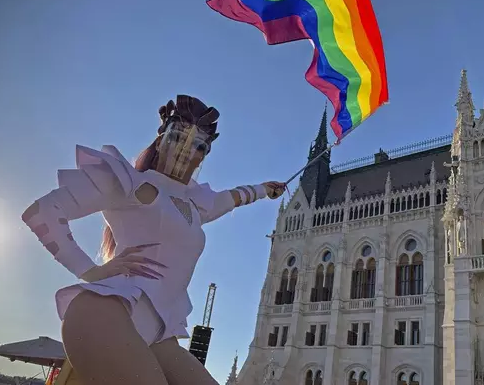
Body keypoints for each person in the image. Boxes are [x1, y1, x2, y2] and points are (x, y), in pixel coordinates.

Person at [22, 95, 286, 385]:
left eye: (199, 144)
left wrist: (266, 188)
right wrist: (90, 270)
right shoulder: (129, 182)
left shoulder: (197, 204)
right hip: (103, 316)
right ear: (160, 141)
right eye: (178, 137)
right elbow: (43, 212)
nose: (187, 150)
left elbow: (234, 197)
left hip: (159, 334)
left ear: (204, 156)